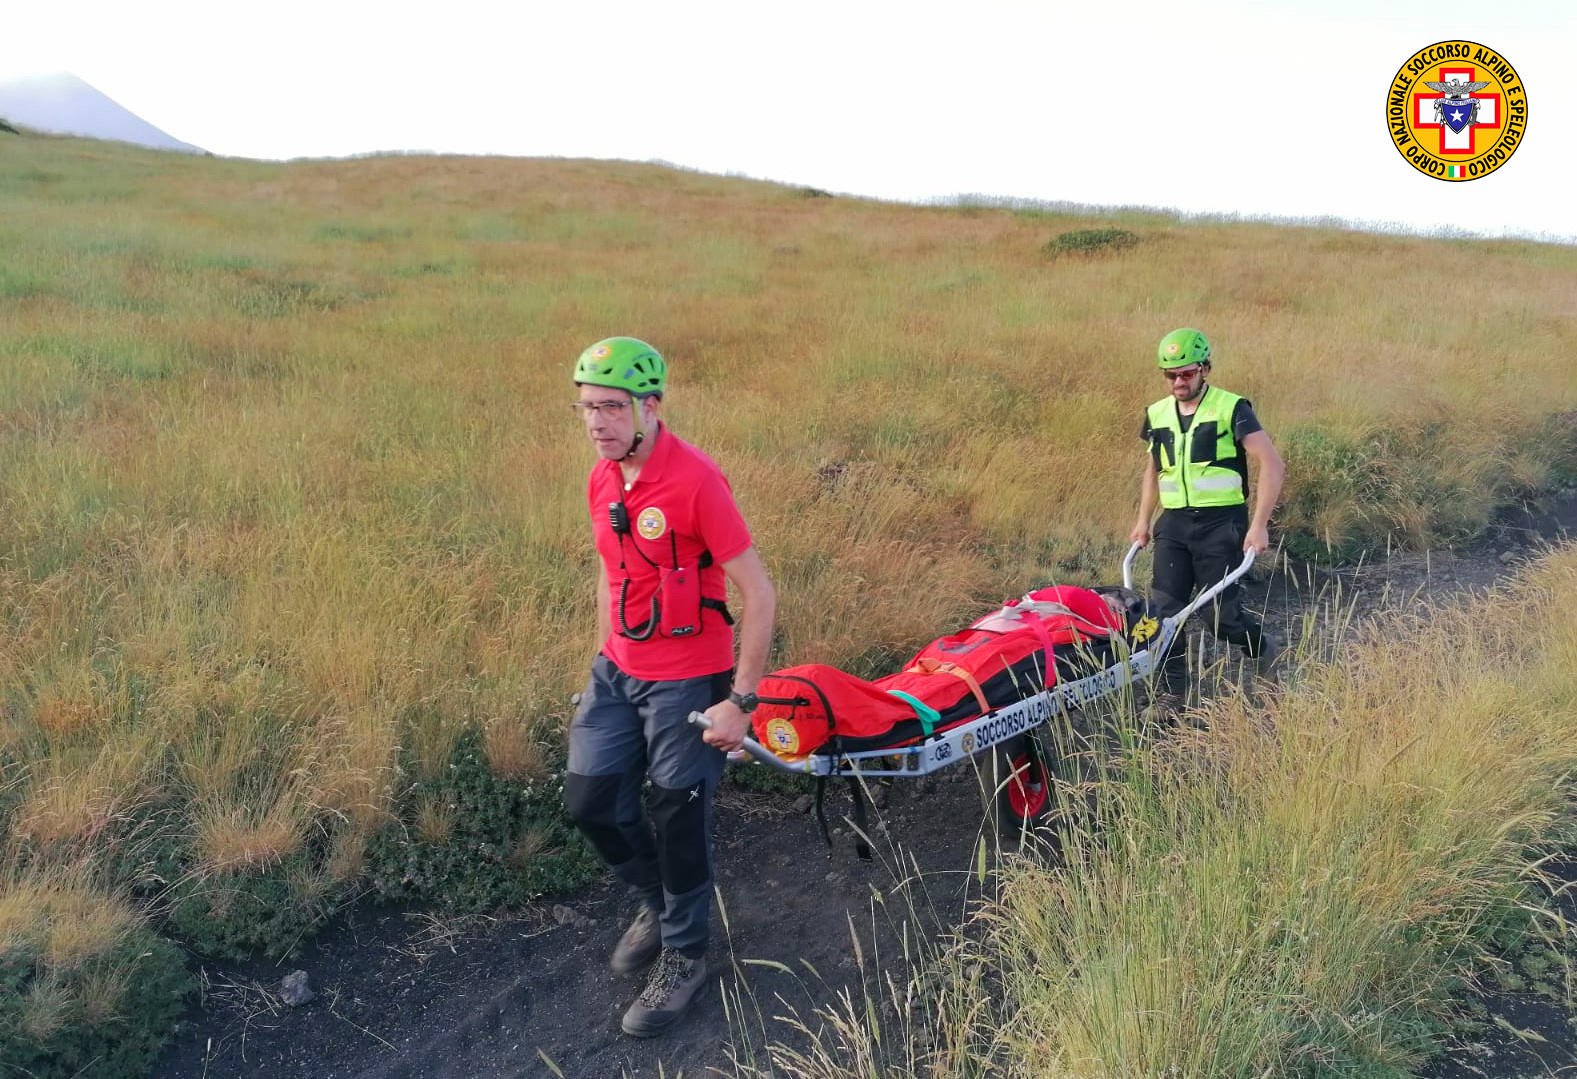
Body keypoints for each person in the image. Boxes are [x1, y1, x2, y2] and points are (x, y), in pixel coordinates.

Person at [564, 336, 776, 1038]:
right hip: (619, 671)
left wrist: (739, 701)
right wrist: (603, 662)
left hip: (690, 676)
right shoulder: (601, 476)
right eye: (587, 408)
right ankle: (660, 905)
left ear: (649, 406)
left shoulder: (694, 481)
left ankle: (685, 953)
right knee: (592, 803)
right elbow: (610, 569)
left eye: (611, 408)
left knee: (676, 815)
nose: (597, 422)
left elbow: (758, 593)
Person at [1127, 328, 1285, 708]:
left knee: (1220, 620)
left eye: (1187, 373)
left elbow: (1272, 464)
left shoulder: (1232, 408)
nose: (1179, 382)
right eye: (1170, 375)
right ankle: (1173, 694)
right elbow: (1154, 470)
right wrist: (1143, 521)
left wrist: (1259, 524)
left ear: (1204, 369)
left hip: (1221, 526)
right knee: (1163, 615)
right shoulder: (1157, 414)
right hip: (1175, 525)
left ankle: (1264, 652)